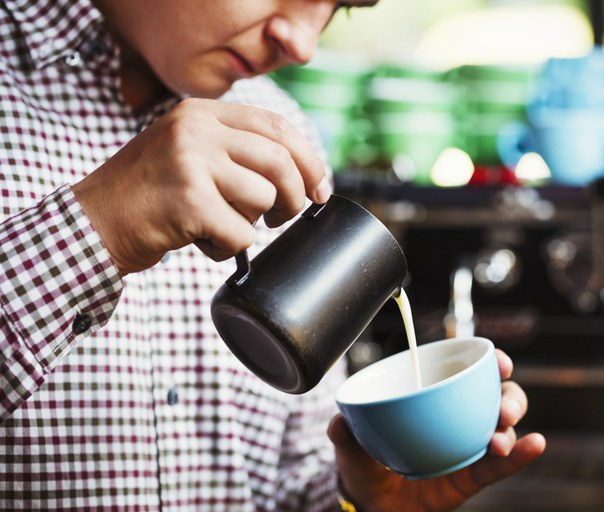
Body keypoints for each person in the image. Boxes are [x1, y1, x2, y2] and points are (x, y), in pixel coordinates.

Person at [0, 0, 546, 510]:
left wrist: (359, 495)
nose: (303, 45)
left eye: (336, 9)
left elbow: (289, 470)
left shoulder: (279, 132)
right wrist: (101, 225)